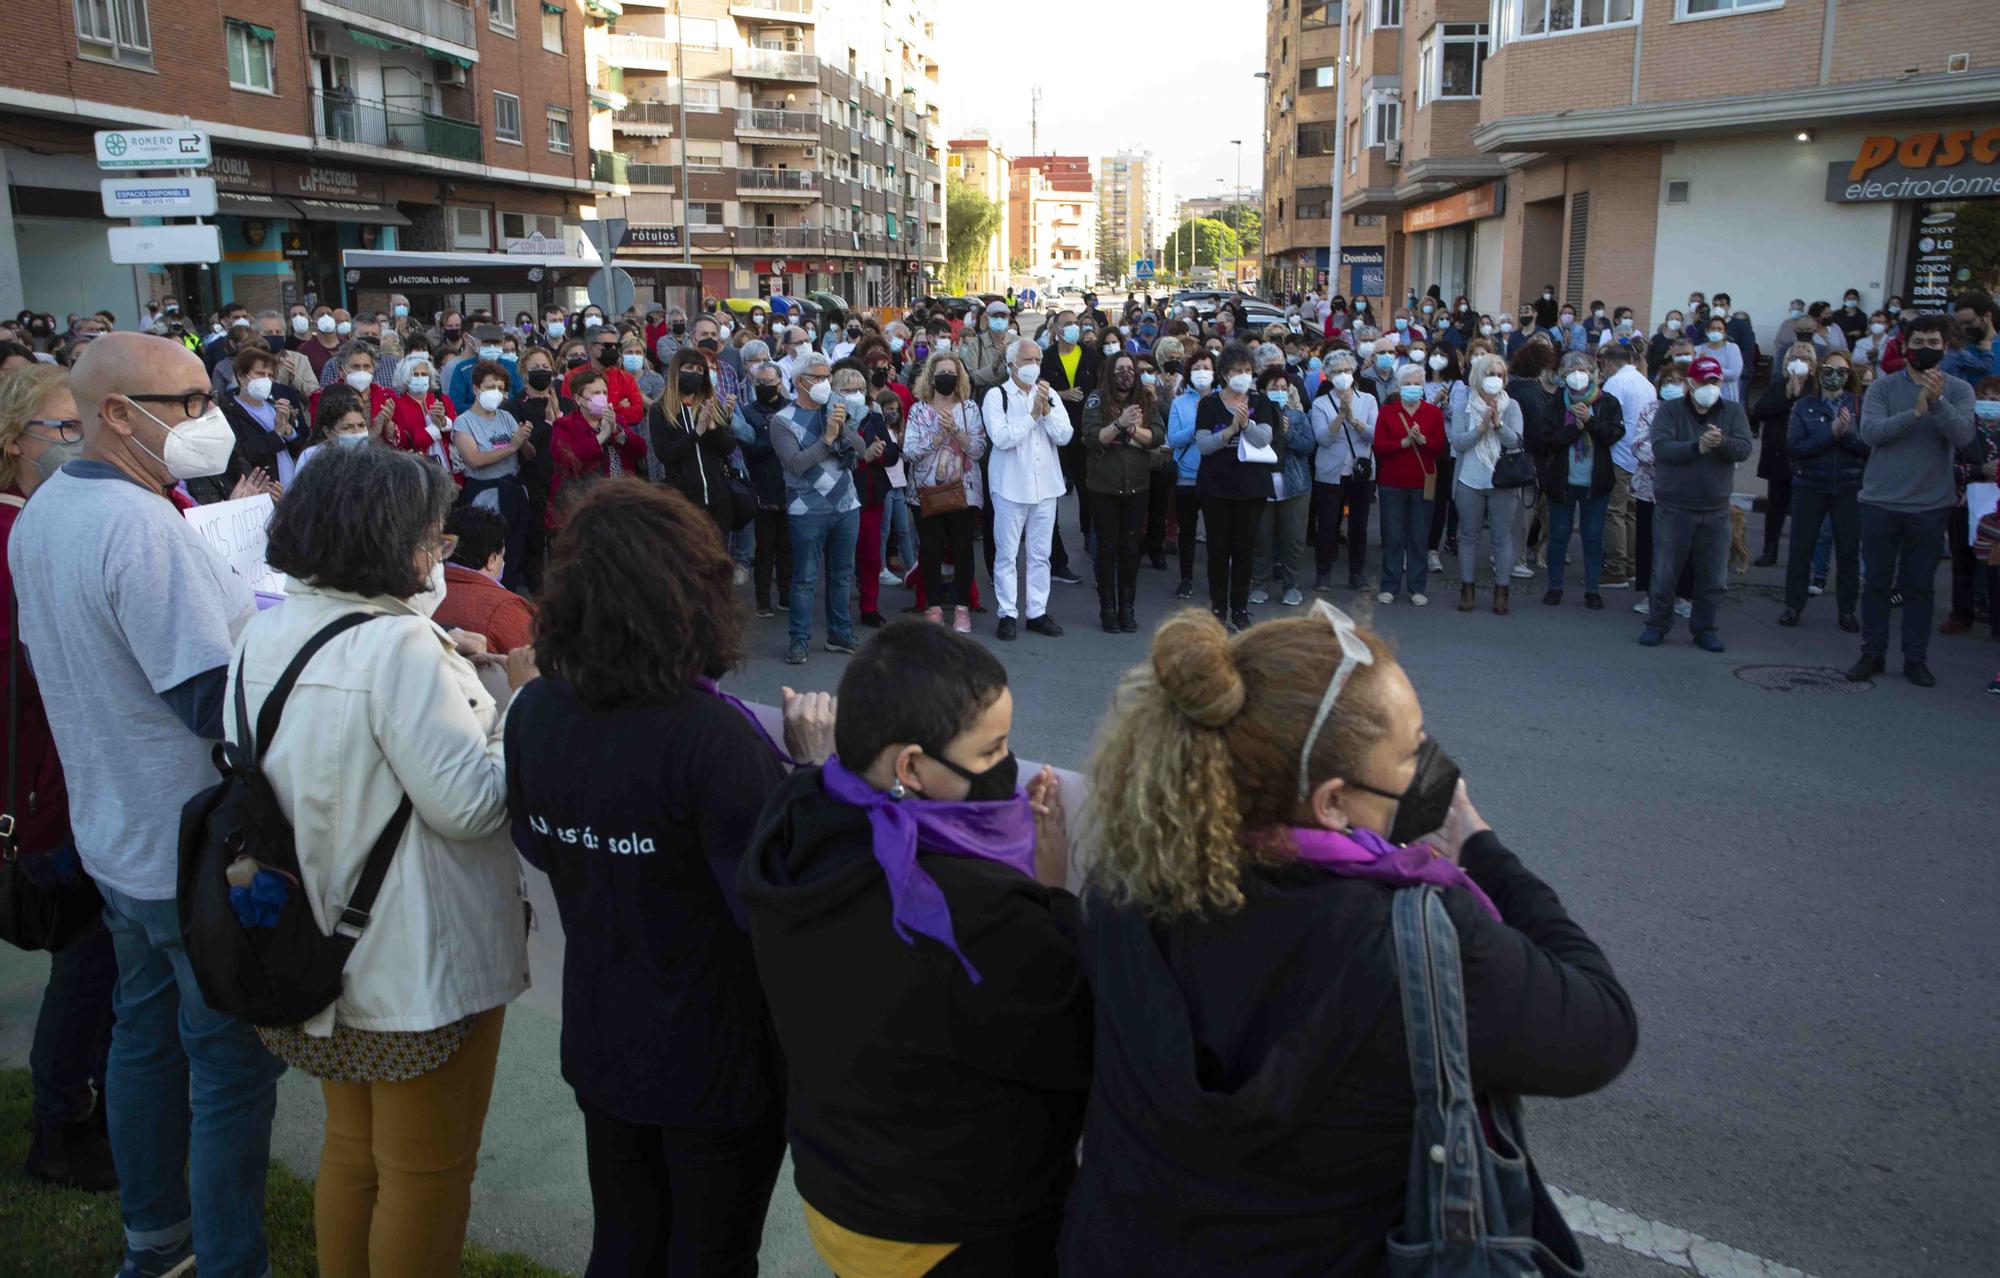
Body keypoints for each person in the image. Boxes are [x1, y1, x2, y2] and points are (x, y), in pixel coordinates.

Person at [1062, 606, 1637, 1277]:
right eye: (1412, 751)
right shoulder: (1421, 940)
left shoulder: (1128, 882)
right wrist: (1481, 849)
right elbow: (1602, 1026)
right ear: (1333, 803)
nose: (1429, 768)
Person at [8, 333, 285, 1276]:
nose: (209, 419)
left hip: (118, 835)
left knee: (143, 1038)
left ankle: (154, 1241)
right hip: (187, 846)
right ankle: (225, 1260)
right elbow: (211, 703)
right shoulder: (138, 526)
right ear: (117, 415)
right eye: (190, 401)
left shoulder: (48, 509)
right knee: (228, 1070)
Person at [509, 480, 833, 1276]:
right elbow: (783, 906)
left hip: (603, 1033)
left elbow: (540, 845)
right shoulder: (712, 740)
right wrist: (816, 775)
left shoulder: (535, 712)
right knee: (709, 1256)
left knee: (622, 1243)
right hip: (714, 1060)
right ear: (689, 599)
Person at [236, 445, 528, 1278]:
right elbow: (473, 805)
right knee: (426, 1174)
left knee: (353, 1152)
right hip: (411, 962)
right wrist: (519, 701)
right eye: (433, 540)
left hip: (316, 944)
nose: (439, 557)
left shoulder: (265, 628)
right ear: (391, 544)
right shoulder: (398, 650)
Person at [739, 620, 1087, 1277]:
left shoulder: (793, 820)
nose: (1008, 766)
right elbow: (1072, 1047)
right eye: (991, 752)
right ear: (910, 767)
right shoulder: (973, 913)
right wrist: (1051, 893)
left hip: (837, 1195)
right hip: (956, 1229)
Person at [1, 364, 117, 1193]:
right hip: (48, 796)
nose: (79, 443)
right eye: (61, 429)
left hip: (64, 781)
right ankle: (62, 1123)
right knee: (89, 964)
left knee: (93, 963)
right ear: (13, 444)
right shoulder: (17, 539)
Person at [1847, 315, 1977, 687]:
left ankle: (1915, 658)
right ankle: (1871, 652)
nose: (1926, 348)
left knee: (1920, 587)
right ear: (1904, 347)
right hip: (1880, 502)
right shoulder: (1883, 389)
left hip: (1930, 506)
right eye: (1918, 341)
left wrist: (1936, 404)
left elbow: (1965, 436)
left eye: (1934, 342)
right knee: (1875, 583)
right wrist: (1915, 411)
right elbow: (1870, 433)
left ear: (1945, 347)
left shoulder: (1959, 390)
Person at [1640, 353, 1753, 652]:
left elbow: (1743, 448)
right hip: (1674, 507)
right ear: (1690, 382)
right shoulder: (1670, 412)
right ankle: (1657, 624)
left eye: (1715, 381)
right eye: (1704, 381)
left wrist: (1721, 443)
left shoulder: (1732, 412)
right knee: (1664, 573)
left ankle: (1705, 628)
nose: (1710, 386)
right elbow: (1662, 449)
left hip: (1715, 509)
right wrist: (1697, 446)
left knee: (1714, 577)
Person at [771, 352, 863, 665]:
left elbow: (861, 452)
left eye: (827, 377)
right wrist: (827, 438)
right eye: (818, 378)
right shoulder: (782, 420)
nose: (825, 383)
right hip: (807, 509)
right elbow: (795, 464)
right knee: (805, 579)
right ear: (799, 382)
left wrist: (844, 427)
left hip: (846, 505)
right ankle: (799, 640)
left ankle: (840, 633)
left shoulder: (834, 409)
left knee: (841, 576)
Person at [984, 337, 1072, 641]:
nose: (1033, 366)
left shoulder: (1049, 395)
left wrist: (1045, 411)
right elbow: (1002, 438)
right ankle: (1007, 612)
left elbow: (1065, 436)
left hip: (1046, 486)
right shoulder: (997, 396)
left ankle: (1037, 611)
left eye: (1037, 360)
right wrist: (1032, 415)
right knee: (1007, 553)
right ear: (1011, 365)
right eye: (1026, 360)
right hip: (1010, 486)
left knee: (1040, 554)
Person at [1779, 351, 1867, 631]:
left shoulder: (1860, 406)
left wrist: (1846, 434)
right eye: (1829, 369)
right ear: (1819, 372)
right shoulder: (1804, 406)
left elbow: (1867, 447)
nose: (1835, 375)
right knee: (1801, 549)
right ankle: (1793, 605)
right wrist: (1830, 433)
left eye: (1842, 371)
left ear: (1849, 375)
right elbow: (1795, 448)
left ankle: (1847, 611)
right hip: (1810, 485)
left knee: (1848, 551)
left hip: (1849, 485)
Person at [1195, 342, 1280, 630]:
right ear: (1224, 373)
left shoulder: (1263, 402)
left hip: (1251, 488)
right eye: (1237, 370)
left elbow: (1266, 437)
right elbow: (1204, 445)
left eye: (1247, 370)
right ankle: (1218, 606)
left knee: (1244, 550)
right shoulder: (1209, 404)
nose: (1243, 375)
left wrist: (1246, 425)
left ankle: (1240, 609)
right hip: (1216, 487)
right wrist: (1229, 430)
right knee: (1218, 550)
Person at [904, 349, 987, 633]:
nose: (946, 379)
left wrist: (956, 432)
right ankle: (934, 607)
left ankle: (962, 608)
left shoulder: (970, 409)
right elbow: (910, 452)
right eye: (941, 374)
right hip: (926, 493)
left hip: (964, 492)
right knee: (931, 549)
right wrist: (938, 436)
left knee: (963, 548)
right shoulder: (918, 410)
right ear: (931, 378)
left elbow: (977, 449)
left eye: (952, 374)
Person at [1534, 351, 1626, 609]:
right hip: (1562, 481)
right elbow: (1547, 440)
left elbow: (1613, 434)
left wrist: (1590, 421)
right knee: (1559, 534)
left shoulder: (1607, 403)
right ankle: (1555, 586)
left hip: (1596, 481)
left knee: (1593, 536)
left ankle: (1593, 589)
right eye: (1572, 371)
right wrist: (1575, 427)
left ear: (1593, 373)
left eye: (1582, 369)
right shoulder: (1555, 403)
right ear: (1563, 376)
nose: (1578, 375)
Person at [1083, 350, 1166, 633]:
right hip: (1103, 487)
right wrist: (1121, 424)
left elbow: (1156, 436)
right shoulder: (1097, 398)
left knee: (1131, 549)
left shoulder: (1145, 400)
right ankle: (1107, 608)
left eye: (1130, 370)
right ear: (1110, 373)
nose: (1126, 375)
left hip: (1137, 487)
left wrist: (1130, 432)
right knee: (1106, 549)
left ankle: (1127, 608)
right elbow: (1094, 439)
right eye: (1120, 370)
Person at [1449, 352, 1525, 614]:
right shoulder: (1463, 406)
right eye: (1490, 374)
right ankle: (1467, 588)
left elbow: (1515, 441)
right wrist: (1479, 430)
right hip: (1469, 480)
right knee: (1468, 537)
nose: (1495, 379)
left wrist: (1498, 424)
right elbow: (1458, 442)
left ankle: (1501, 591)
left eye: (1500, 375)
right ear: (1478, 377)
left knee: (1502, 538)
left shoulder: (1511, 406)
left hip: (1503, 481)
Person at [453, 360, 534, 589]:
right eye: (490, 387)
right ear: (477, 389)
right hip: (485, 494)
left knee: (515, 549)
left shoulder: (506, 417)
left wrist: (524, 439)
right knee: (489, 550)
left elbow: (528, 454)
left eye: (500, 388)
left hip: (513, 489)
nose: (496, 393)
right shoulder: (464, 422)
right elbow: (474, 460)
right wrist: (511, 446)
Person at [1371, 364, 1446, 606]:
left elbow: (1440, 447)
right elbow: (1380, 447)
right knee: (1393, 536)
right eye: (1408, 384)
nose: (1413, 388)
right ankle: (1389, 585)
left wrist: (1423, 440)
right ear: (1399, 387)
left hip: (1422, 481)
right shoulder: (1388, 412)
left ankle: (1417, 587)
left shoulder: (1433, 413)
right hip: (1391, 482)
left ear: (1423, 386)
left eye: (1417, 383)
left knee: (1418, 536)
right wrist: (1404, 442)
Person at [647, 348, 739, 532]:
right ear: (676, 371)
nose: (695, 374)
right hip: (683, 500)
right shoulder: (660, 410)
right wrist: (696, 434)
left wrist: (713, 427)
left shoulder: (712, 405)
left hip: (717, 497)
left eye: (700, 371)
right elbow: (665, 453)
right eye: (689, 368)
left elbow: (728, 447)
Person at [1309, 349, 1377, 593]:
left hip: (1360, 471)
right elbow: (1323, 439)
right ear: (1328, 375)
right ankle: (1323, 573)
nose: (1342, 376)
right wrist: (1340, 415)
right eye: (1336, 372)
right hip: (1330, 471)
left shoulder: (1368, 400)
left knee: (1358, 524)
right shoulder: (1320, 403)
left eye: (1347, 370)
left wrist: (1354, 420)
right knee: (1327, 523)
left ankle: (1357, 573)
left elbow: (1373, 435)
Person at [548, 366, 647, 527]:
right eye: (595, 393)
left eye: (604, 393)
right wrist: (600, 437)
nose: (601, 397)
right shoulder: (565, 425)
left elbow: (640, 449)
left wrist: (616, 431)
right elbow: (566, 459)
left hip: (620, 501)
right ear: (578, 399)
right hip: (582, 506)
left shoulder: (617, 420)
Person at [432, 503, 535, 654]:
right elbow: (534, 665)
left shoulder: (421, 592)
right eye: (502, 556)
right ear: (492, 559)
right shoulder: (506, 607)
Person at [736, 356, 795, 620]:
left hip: (789, 485)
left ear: (780, 383)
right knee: (764, 548)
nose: (764, 385)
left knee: (787, 547)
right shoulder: (747, 411)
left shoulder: (791, 408)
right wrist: (774, 437)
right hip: (760, 485)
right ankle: (762, 600)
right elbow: (750, 446)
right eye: (760, 382)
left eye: (769, 382)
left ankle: (785, 595)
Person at [1751, 342, 1816, 567]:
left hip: (1806, 457)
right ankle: (1770, 551)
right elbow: (1758, 411)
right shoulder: (1778, 385)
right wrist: (1788, 394)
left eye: (1805, 358)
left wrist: (1798, 395)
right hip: (1778, 455)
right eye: (1794, 358)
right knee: (1775, 507)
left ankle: (1802, 556)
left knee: (1804, 511)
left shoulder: (1816, 388)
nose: (1799, 362)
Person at [847, 370, 903, 629]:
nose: (855, 394)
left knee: (870, 556)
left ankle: (869, 606)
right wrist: (863, 456)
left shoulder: (875, 418)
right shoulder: (829, 418)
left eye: (859, 388)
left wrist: (880, 453)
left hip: (871, 497)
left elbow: (892, 454)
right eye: (848, 389)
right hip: (841, 497)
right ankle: (838, 609)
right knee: (842, 558)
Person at [1600, 342, 1655, 590]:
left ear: (1609, 364)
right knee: (1631, 512)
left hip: (1619, 454)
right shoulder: (1646, 383)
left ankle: (1616, 568)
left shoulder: (1615, 383)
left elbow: (1607, 417)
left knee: (1614, 512)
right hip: (1640, 455)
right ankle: (1632, 564)